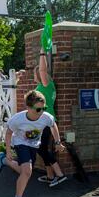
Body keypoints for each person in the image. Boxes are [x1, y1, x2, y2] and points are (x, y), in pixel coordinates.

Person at [0, 90, 65, 197]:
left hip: (34, 145)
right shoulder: (18, 119)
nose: (41, 112)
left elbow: (53, 125)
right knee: (27, 172)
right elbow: (9, 132)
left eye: (44, 108)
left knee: (25, 172)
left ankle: (4, 161)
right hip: (20, 143)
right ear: (28, 107)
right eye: (38, 109)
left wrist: (58, 142)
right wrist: (8, 150)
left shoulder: (46, 117)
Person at [34, 49, 67, 186]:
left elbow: (42, 69)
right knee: (42, 148)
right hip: (45, 120)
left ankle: (59, 174)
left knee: (41, 149)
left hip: (46, 120)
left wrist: (42, 53)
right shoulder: (47, 86)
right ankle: (50, 176)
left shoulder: (46, 85)